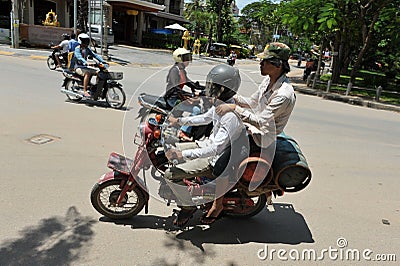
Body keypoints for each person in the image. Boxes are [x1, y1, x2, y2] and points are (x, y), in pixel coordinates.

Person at [213, 42, 296, 213]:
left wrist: (234, 108)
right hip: (252, 129)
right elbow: (252, 102)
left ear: (278, 65)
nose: (261, 64)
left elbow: (261, 121)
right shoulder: (268, 81)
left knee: (220, 165)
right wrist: (229, 94)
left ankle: (217, 204)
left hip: (260, 138)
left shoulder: (284, 94)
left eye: (265, 61)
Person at [165, 64, 246, 226]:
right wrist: (178, 121)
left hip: (212, 158)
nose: (209, 89)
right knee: (169, 150)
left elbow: (215, 149)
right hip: (206, 145)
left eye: (213, 86)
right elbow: (205, 118)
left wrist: (184, 155)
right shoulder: (221, 104)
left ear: (224, 89)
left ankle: (188, 207)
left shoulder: (230, 116)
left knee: (170, 174)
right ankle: (186, 187)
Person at [165, 47, 201, 140]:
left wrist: (203, 88)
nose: (188, 60)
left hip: (179, 97)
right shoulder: (174, 70)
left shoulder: (182, 70)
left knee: (197, 104)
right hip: (173, 99)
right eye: (186, 58)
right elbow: (175, 87)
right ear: (179, 58)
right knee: (197, 110)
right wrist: (191, 95)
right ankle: (184, 131)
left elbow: (189, 82)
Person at [73, 33, 108, 98]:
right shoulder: (77, 49)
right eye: (85, 41)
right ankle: (85, 90)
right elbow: (79, 57)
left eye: (87, 41)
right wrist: (85, 62)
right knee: (88, 73)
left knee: (99, 73)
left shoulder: (87, 49)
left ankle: (97, 89)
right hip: (78, 67)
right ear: (81, 41)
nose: (86, 43)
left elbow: (95, 55)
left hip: (85, 67)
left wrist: (103, 61)